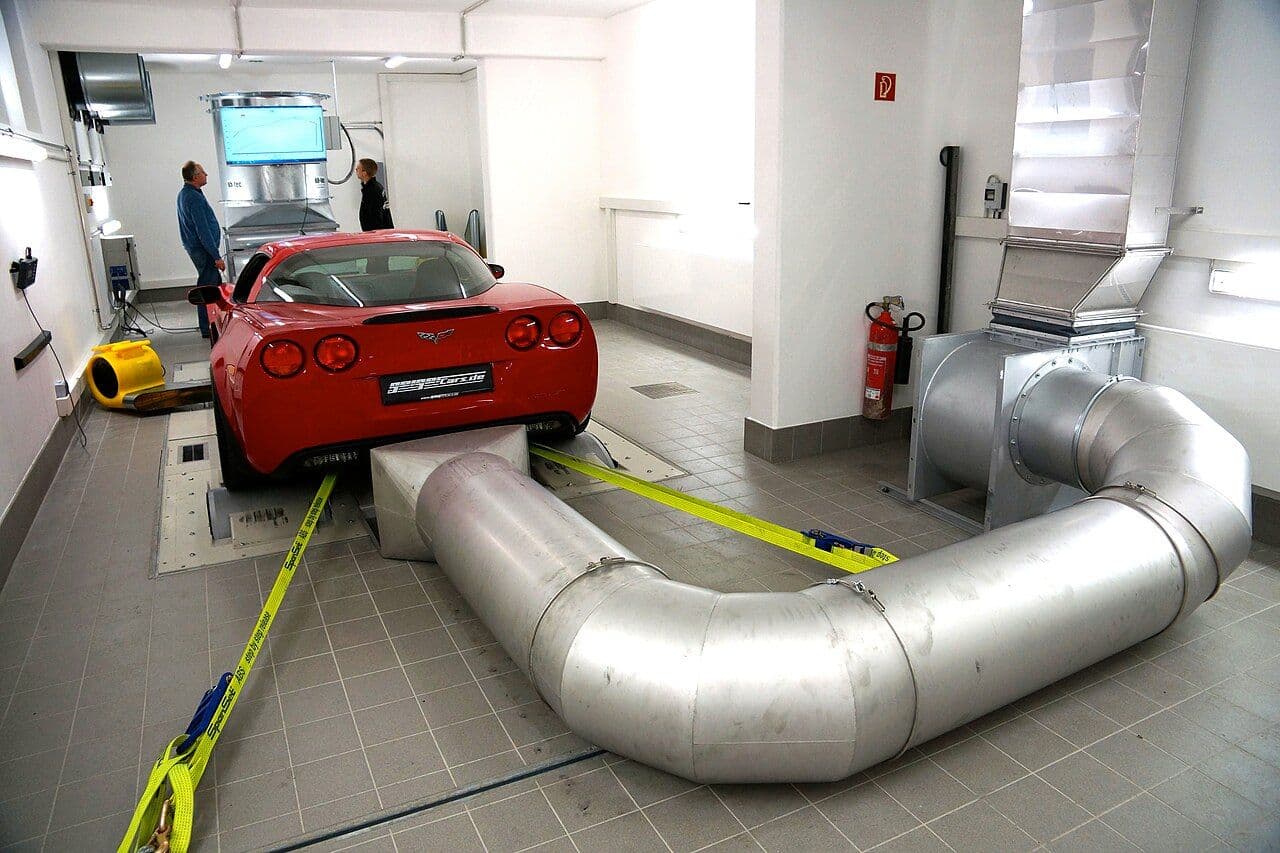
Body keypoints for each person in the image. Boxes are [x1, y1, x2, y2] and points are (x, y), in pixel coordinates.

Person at [176, 160, 223, 338]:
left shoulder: (186, 194)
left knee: (215, 286)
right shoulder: (193, 197)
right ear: (195, 176)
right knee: (208, 288)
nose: (206, 175)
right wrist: (216, 256)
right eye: (203, 172)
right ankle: (208, 327)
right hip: (203, 250)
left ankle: (216, 322)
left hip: (198, 248)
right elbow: (202, 229)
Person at [356, 158, 394, 231]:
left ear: (364, 172)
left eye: (358, 169)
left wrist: (374, 234)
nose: (356, 171)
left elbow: (376, 214)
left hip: (378, 234)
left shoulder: (373, 190)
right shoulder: (372, 188)